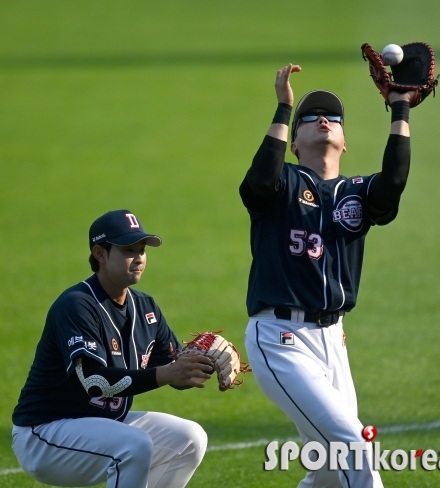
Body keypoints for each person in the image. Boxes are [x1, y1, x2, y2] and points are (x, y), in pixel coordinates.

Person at [240, 64, 414, 488]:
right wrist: (283, 108)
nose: (324, 120)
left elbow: (392, 183)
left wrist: (400, 109)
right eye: (310, 117)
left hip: (332, 343)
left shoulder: (356, 192)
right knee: (355, 448)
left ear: (344, 141)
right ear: (294, 143)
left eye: (333, 117)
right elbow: (258, 183)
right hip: (279, 340)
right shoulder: (283, 185)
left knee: (330, 471)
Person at [12, 209, 213, 488]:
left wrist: (203, 362)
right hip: (45, 433)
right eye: (128, 250)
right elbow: (94, 382)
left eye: (142, 250)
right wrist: (167, 374)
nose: (139, 257)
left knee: (190, 438)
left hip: (102, 424)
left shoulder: (146, 308)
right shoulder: (77, 305)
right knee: (135, 444)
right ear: (100, 253)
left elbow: (176, 371)